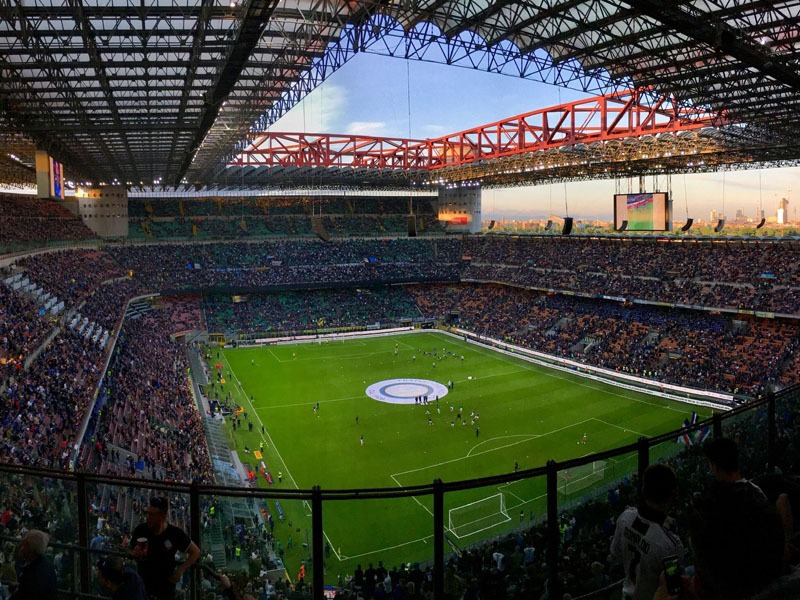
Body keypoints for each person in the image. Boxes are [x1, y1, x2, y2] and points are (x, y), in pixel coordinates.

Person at [688, 437, 785, 599]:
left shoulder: (708, 507)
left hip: (733, 583)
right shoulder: (757, 494)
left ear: (715, 467)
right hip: (763, 576)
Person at [610, 463, 684, 600]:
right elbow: (673, 589)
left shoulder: (625, 518)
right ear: (672, 495)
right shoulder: (669, 544)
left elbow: (615, 553)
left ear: (643, 490)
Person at [130, 496, 202, 600]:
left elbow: (196, 552)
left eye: (152, 515)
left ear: (162, 517)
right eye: (147, 513)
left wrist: (181, 569)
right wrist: (134, 552)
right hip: (143, 585)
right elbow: (131, 548)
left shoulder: (174, 534)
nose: (148, 517)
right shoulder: (141, 530)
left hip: (165, 588)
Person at [9, 529, 57, 599]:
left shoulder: (33, 573)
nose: (21, 547)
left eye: (25, 544)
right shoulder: (46, 565)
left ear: (32, 549)